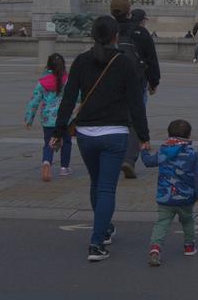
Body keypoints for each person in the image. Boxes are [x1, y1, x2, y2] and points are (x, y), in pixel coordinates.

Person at [53, 15, 150, 262]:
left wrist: (57, 132)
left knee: (96, 184)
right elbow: (136, 104)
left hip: (85, 134)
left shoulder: (81, 61)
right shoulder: (124, 62)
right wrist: (143, 136)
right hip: (115, 134)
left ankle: (105, 229)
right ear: (116, 36)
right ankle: (96, 243)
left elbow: (67, 100)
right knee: (107, 188)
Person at [141, 119, 198, 267]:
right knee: (188, 220)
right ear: (189, 136)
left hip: (165, 197)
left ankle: (156, 248)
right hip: (186, 198)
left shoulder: (164, 151)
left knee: (162, 223)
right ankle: (189, 246)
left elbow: (149, 162)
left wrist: (144, 150)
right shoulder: (192, 154)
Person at [109, 0, 161, 179]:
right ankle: (129, 159)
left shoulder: (108, 28)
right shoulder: (140, 32)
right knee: (134, 118)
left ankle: (110, 159)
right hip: (135, 80)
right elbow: (151, 59)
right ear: (128, 13)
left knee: (111, 119)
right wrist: (153, 82)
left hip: (109, 81)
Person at [26, 53, 72, 181]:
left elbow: (34, 100)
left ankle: (46, 163)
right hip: (64, 118)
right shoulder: (66, 79)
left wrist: (29, 118)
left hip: (47, 119)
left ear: (48, 65)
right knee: (66, 142)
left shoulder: (43, 80)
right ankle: (64, 167)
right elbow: (77, 96)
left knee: (48, 143)